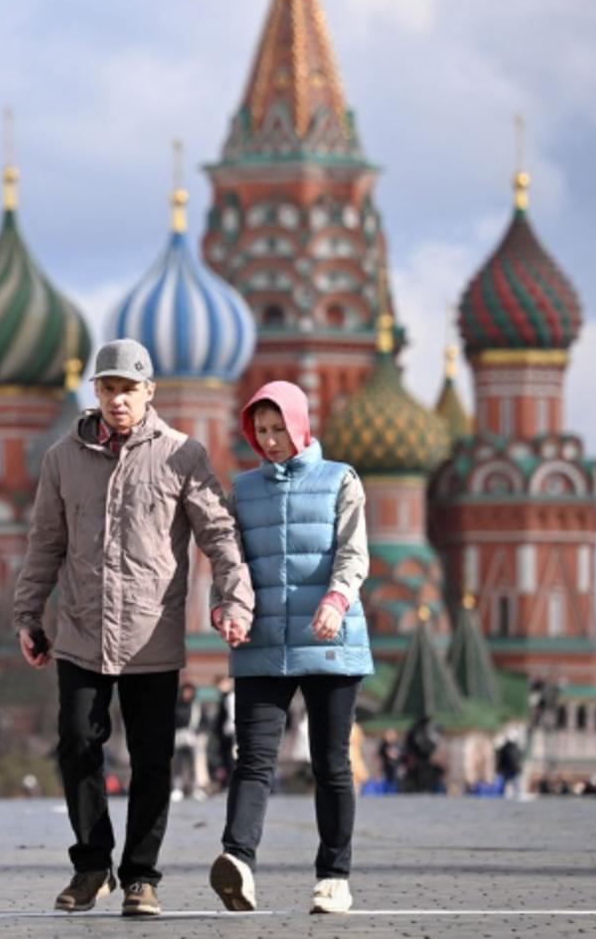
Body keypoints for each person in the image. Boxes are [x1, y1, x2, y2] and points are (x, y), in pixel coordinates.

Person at [12, 338, 253, 918]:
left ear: (149, 392)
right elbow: (45, 543)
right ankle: (92, 866)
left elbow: (219, 534)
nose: (118, 400)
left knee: (151, 761)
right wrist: (28, 615)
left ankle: (141, 877)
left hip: (152, 635)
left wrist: (234, 598)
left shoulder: (182, 455)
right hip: (81, 631)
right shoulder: (63, 458)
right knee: (77, 744)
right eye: (109, 388)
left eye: (128, 389)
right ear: (96, 392)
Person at [209, 381, 371, 917]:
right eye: (261, 430)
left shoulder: (340, 480)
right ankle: (237, 862)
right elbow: (230, 563)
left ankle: (334, 877)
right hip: (263, 642)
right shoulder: (243, 490)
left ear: (300, 425)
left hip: (329, 639)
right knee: (253, 761)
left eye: (279, 428)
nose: (271, 440)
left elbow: (353, 553)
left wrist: (337, 599)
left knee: (331, 764)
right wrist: (225, 611)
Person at [173, 683, 208, 802]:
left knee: (195, 763)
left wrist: (199, 731)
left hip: (193, 736)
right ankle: (177, 788)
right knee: (178, 763)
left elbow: (205, 722)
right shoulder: (177, 705)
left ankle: (196, 788)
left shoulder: (197, 706)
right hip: (179, 736)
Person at [496, 731, 524, 799]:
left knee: (506, 785)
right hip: (512, 770)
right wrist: (519, 768)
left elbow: (500, 760)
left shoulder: (504, 748)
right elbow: (518, 759)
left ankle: (503, 795)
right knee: (516, 786)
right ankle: (517, 795)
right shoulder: (515, 748)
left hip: (507, 770)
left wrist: (498, 769)